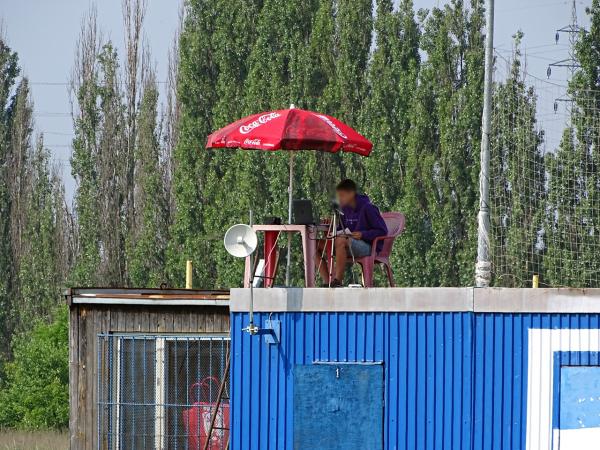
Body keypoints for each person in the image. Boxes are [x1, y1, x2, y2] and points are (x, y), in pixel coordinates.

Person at [316, 179, 388, 287]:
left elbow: (382, 231)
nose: (339, 199)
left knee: (340, 240)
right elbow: (342, 229)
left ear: (351, 194)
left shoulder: (368, 208)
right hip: (347, 243)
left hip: (367, 247)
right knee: (315, 245)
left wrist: (363, 234)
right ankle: (327, 282)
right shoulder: (344, 210)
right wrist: (332, 225)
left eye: (342, 195)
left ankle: (337, 281)